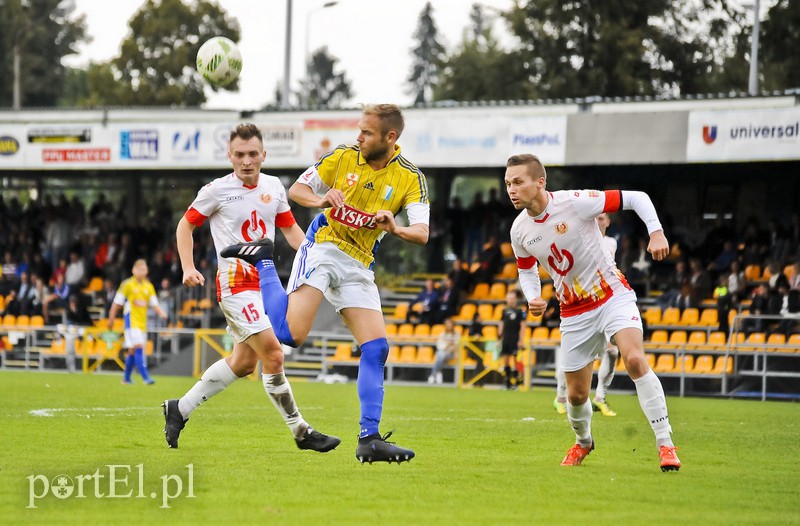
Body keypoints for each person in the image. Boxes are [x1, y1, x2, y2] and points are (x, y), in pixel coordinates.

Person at [222, 104, 429, 464]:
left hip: (360, 263)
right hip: (323, 247)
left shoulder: (411, 178)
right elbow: (297, 191)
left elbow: (422, 233)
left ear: (390, 138)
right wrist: (322, 199)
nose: (359, 136)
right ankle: (264, 259)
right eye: (359, 129)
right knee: (290, 336)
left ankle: (370, 439)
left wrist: (395, 228)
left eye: (367, 132)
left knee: (377, 348)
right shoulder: (343, 157)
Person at [164, 123, 340, 453]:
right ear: (230, 156)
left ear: (263, 155)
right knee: (274, 354)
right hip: (235, 285)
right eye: (240, 155)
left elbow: (291, 231)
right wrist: (188, 267)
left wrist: (315, 262)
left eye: (253, 154)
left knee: (244, 362)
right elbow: (185, 225)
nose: (247, 161)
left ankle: (180, 409)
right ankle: (301, 431)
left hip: (266, 283)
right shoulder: (215, 190)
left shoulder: (274, 186)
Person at [505, 153, 681, 472]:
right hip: (573, 312)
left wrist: (656, 232)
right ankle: (584, 442)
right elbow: (527, 270)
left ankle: (665, 443)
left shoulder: (575, 202)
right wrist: (533, 296)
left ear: (540, 182)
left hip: (611, 294)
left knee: (635, 358)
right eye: (508, 183)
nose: (511, 190)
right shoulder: (519, 230)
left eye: (518, 182)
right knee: (575, 395)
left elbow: (637, 198)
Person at [107, 259, 167, 385]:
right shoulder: (127, 284)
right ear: (133, 270)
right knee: (139, 347)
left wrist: (162, 313)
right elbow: (117, 303)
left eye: (144, 269)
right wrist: (111, 319)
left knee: (132, 351)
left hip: (142, 324)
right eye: (139, 269)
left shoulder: (148, 286)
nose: (142, 271)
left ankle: (126, 378)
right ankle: (146, 377)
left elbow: (154, 303)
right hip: (131, 322)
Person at [497, 289, 527, 389]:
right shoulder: (504, 311)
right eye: (508, 298)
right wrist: (499, 338)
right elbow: (501, 324)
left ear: (515, 299)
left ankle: (516, 383)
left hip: (515, 338)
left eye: (512, 298)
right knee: (505, 360)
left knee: (515, 360)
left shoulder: (520, 311)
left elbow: (523, 326)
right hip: (506, 338)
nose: (510, 300)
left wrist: (520, 340)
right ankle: (507, 383)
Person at [429, 318, 459, 384]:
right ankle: (438, 373)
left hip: (452, 353)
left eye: (450, 324)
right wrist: (448, 344)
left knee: (440, 355)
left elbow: (457, 345)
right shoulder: (442, 334)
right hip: (443, 352)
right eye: (447, 324)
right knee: (441, 355)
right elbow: (439, 345)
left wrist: (450, 347)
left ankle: (433, 374)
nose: (449, 325)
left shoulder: (456, 334)